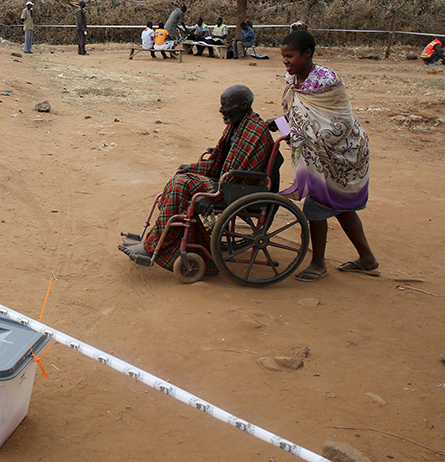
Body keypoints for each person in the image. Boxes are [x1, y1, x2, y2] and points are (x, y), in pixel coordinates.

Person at [119, 85, 273, 272]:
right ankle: (167, 240)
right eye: (221, 104)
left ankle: (153, 245)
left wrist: (212, 196)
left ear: (243, 106)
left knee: (182, 186)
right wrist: (193, 168)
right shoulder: (236, 124)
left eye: (226, 105)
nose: (221, 110)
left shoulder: (254, 131)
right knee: (180, 178)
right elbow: (217, 161)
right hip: (227, 181)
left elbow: (238, 177)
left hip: (238, 189)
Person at [277, 29, 377, 281]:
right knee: (341, 208)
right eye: (283, 57)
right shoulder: (293, 80)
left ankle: (318, 263)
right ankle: (367, 258)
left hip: (344, 154)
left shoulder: (326, 82)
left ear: (307, 54)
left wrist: (291, 130)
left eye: (290, 56)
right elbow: (298, 116)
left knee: (316, 206)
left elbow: (335, 125)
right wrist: (280, 124)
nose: (286, 62)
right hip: (320, 154)